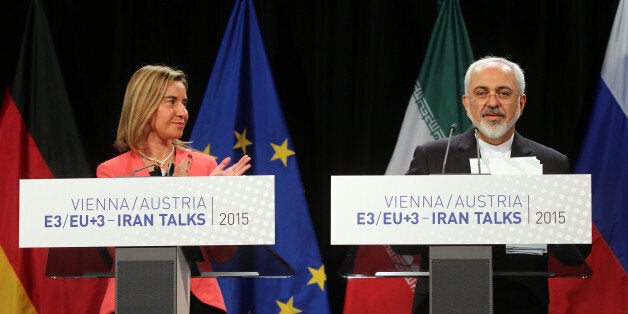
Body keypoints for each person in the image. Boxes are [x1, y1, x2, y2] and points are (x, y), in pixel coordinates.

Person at [400, 56, 590, 313]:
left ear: (520, 102)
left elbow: (578, 250)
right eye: (481, 93)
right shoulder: (433, 157)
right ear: (467, 103)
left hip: (521, 301)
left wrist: (543, 223)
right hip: (448, 295)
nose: (492, 103)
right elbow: (401, 240)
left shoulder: (552, 163)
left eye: (503, 93)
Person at [96, 64, 251, 313]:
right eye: (171, 102)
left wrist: (222, 204)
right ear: (144, 106)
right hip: (135, 293)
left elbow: (223, 254)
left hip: (198, 299)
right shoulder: (112, 171)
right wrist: (178, 197)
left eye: (184, 103)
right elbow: (116, 252)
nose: (182, 112)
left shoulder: (205, 166)